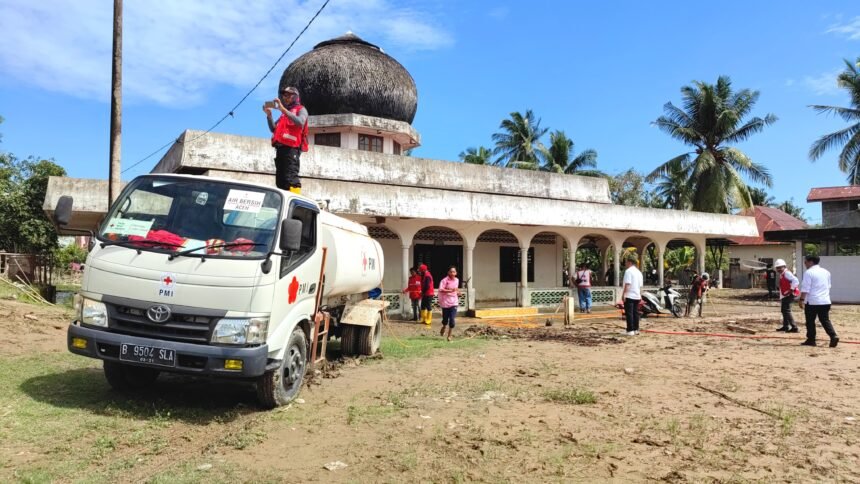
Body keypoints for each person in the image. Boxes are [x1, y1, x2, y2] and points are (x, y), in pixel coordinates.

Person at [264, 86, 309, 194]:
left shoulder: (301, 109)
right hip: (281, 150)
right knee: (281, 182)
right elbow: (273, 129)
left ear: (295, 96)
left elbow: (300, 122)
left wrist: (283, 109)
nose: (285, 98)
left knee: (291, 180)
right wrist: (269, 115)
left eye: (288, 95)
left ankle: (295, 202)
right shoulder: (284, 114)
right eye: (284, 95)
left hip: (292, 149)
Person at [798, 255, 838, 347]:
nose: (805, 264)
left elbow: (805, 288)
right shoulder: (826, 272)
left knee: (810, 321)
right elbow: (828, 286)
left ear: (811, 262)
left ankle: (811, 340)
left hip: (812, 301)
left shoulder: (809, 272)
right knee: (825, 320)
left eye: (805, 262)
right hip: (825, 300)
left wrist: (801, 299)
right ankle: (833, 336)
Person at [619, 254, 643, 336]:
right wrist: (640, 295)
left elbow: (628, 284)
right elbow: (640, 286)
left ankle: (630, 330)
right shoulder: (639, 272)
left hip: (630, 295)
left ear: (629, 262)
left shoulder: (628, 271)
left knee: (629, 313)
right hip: (637, 295)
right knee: (635, 313)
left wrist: (624, 294)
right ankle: (636, 329)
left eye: (626, 262)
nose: (625, 264)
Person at [774, 258, 799, 333]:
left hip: (789, 294)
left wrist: (791, 289)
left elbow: (796, 281)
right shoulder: (782, 274)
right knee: (784, 310)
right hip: (786, 294)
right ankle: (786, 326)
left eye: (780, 267)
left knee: (786, 310)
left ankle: (794, 327)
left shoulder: (787, 273)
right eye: (777, 268)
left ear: (784, 266)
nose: (778, 269)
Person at [438, 266, 460, 341]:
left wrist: (458, 292)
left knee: (452, 320)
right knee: (445, 320)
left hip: (454, 302)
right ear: (448, 272)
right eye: (451, 272)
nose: (452, 273)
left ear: (456, 273)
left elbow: (456, 289)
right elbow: (441, 289)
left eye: (454, 272)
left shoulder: (457, 280)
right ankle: (444, 326)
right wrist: (450, 291)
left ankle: (449, 335)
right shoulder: (444, 280)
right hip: (445, 302)